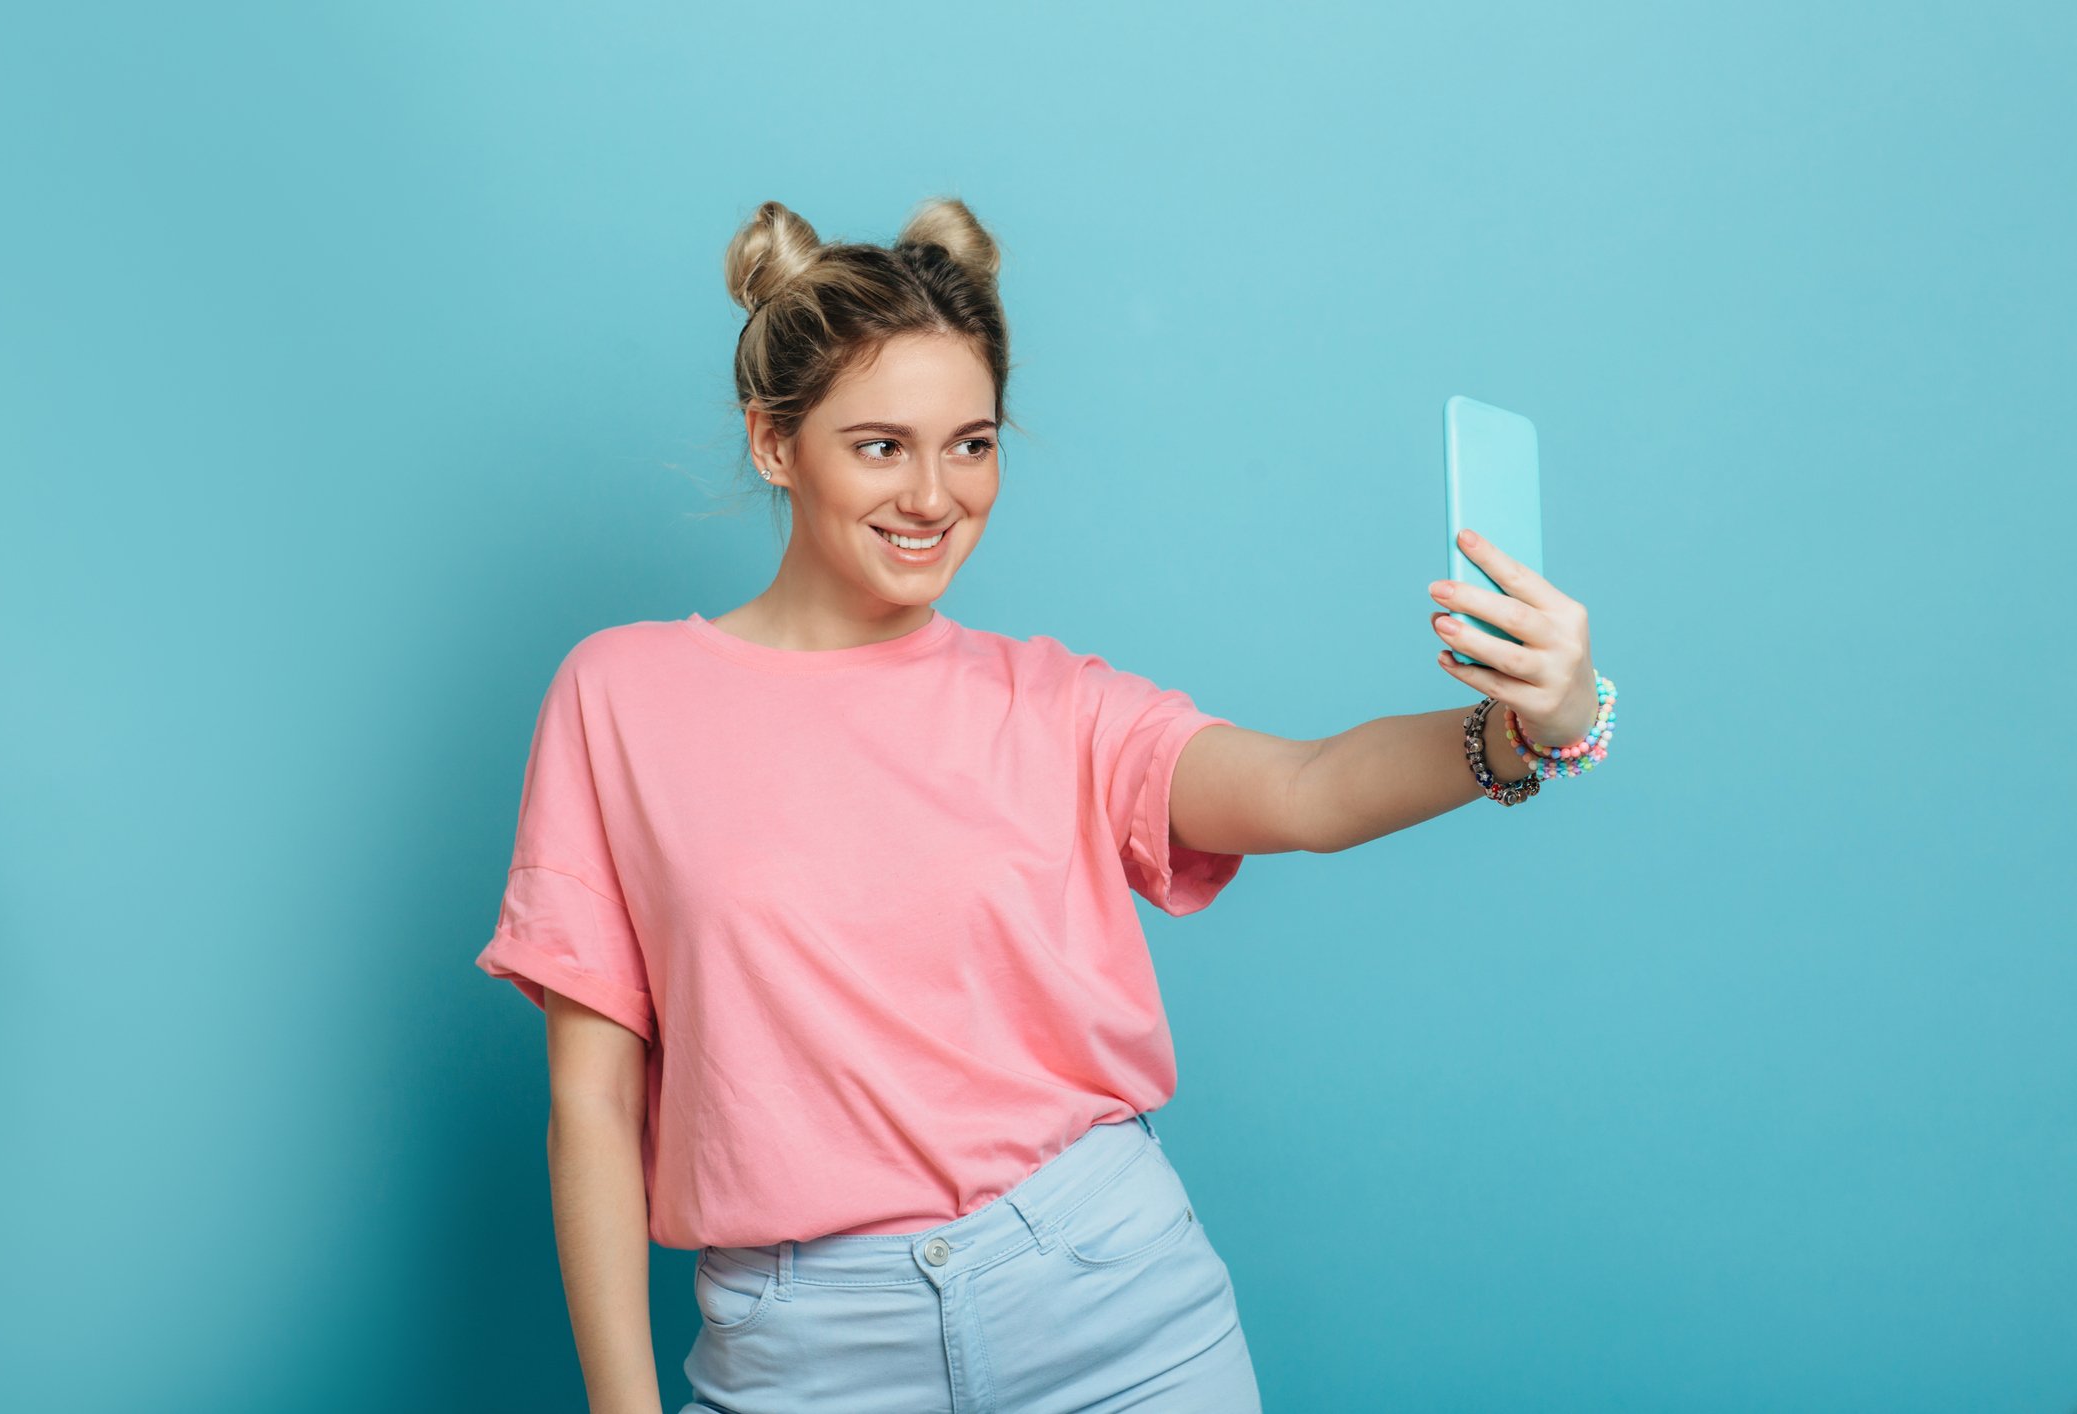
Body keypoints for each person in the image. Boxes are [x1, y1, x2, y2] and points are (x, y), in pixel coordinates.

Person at [475, 196, 1612, 1414]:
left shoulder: (1054, 704)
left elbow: (1307, 787)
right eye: (880, 446)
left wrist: (1543, 722)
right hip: (808, 1351)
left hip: (1111, 1309)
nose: (934, 495)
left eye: (971, 442)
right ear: (771, 440)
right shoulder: (624, 697)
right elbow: (592, 1098)